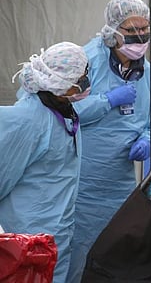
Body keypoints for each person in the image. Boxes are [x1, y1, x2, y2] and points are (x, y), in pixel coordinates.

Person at [67, 0, 151, 282]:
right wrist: (107, 100)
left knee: (117, 255)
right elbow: (65, 111)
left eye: (144, 29)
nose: (140, 37)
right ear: (112, 30)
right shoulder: (87, 62)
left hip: (120, 184)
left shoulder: (145, 72)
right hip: (83, 182)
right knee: (78, 257)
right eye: (132, 31)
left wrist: (147, 138)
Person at [0, 42, 89, 283]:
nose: (85, 83)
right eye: (80, 78)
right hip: (28, 241)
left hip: (56, 235)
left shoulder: (62, 111)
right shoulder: (27, 120)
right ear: (61, 83)